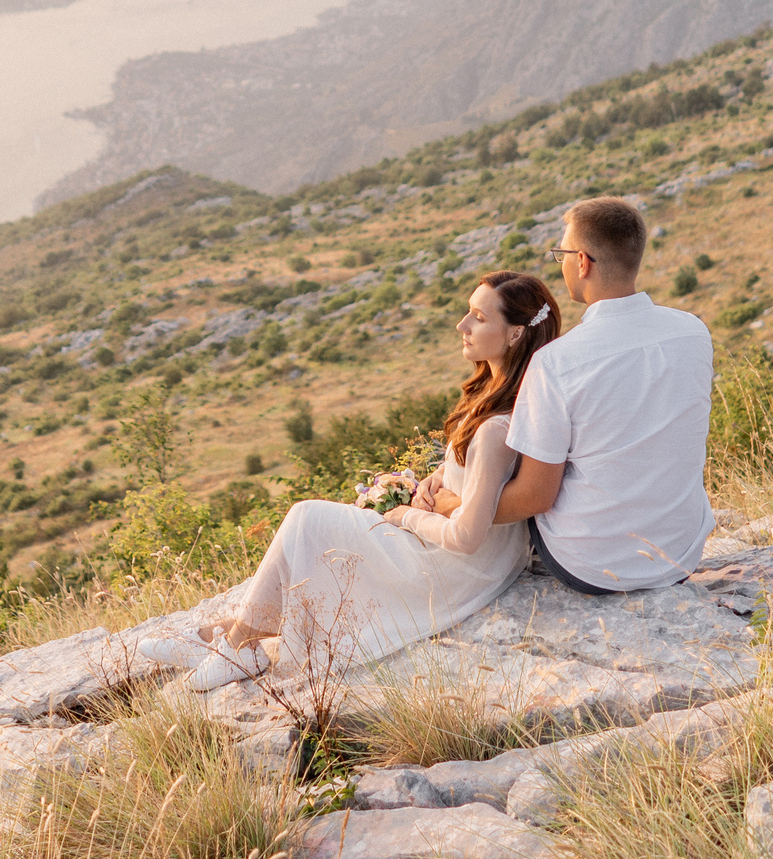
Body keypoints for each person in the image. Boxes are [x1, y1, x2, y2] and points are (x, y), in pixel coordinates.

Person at [139, 271, 563, 690]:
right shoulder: (493, 395)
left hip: (457, 565)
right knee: (309, 528)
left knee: (308, 519)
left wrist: (403, 516)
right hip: (461, 550)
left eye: (479, 318)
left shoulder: (496, 428)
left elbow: (467, 536)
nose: (462, 325)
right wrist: (433, 480)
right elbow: (469, 468)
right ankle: (230, 635)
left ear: (515, 334)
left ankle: (238, 644)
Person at [491, 195, 714, 593]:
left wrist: (457, 508)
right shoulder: (693, 332)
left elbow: (534, 498)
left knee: (503, 471)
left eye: (561, 254)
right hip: (679, 554)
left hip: (592, 566)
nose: (561, 264)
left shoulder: (555, 362)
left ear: (582, 262)